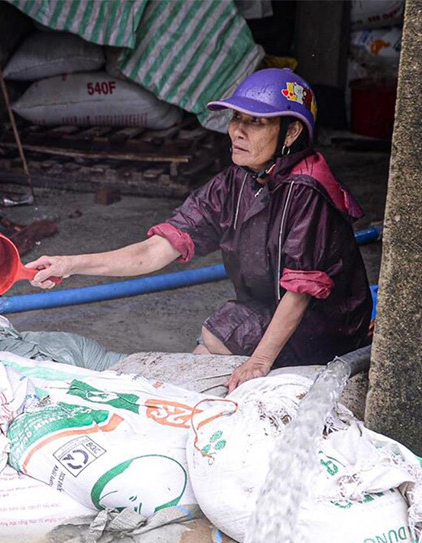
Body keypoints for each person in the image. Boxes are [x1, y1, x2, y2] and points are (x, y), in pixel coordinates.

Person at [26, 68, 373, 392]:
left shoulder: (307, 191)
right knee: (215, 341)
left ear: (292, 132)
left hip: (325, 328)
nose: (237, 130)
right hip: (267, 310)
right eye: (237, 117)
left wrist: (260, 361)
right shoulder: (237, 181)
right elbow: (155, 251)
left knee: (220, 338)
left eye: (256, 122)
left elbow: (300, 291)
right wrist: (69, 264)